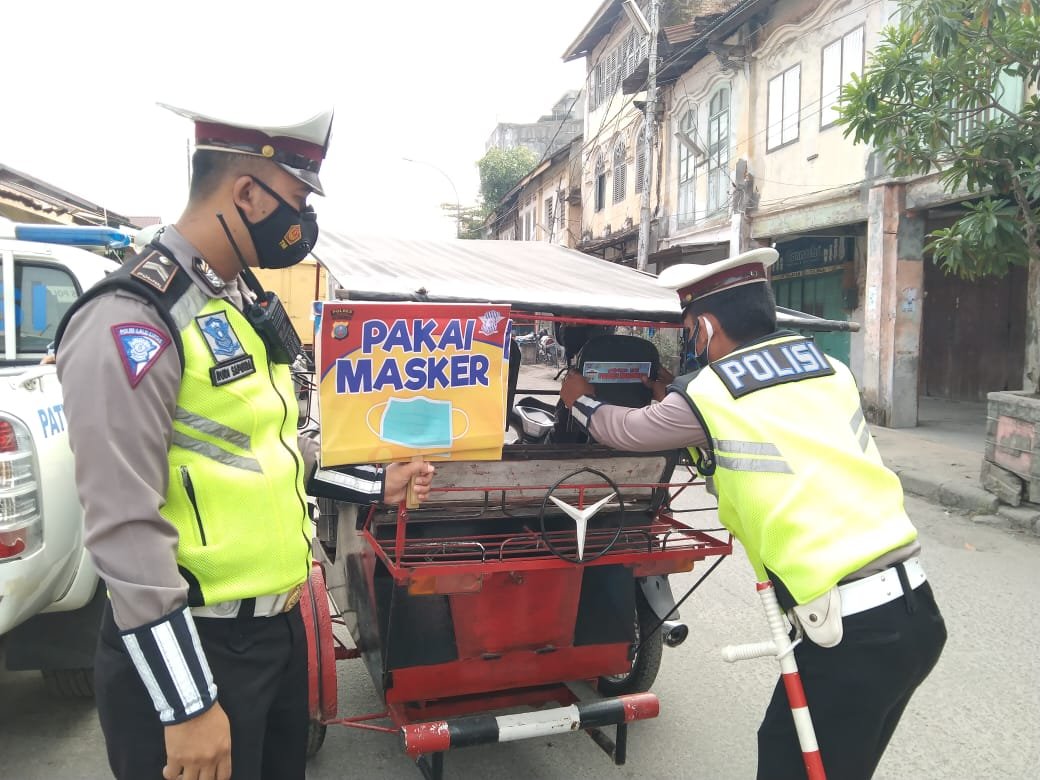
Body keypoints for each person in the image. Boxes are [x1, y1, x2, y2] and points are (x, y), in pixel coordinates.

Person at [54, 104, 435, 780]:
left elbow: (274, 454)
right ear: (247, 194)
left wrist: (378, 483)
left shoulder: (234, 302)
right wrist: (187, 704)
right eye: (296, 200)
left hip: (275, 635)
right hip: (195, 647)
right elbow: (121, 526)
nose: (303, 222)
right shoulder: (132, 317)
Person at [560, 248, 946, 780]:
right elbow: (771, 440)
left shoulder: (711, 389)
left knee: (796, 766)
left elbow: (629, 431)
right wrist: (677, 403)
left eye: (690, 328)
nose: (692, 341)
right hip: (913, 610)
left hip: (849, 628)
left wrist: (579, 399)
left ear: (706, 327)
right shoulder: (828, 368)